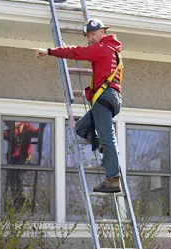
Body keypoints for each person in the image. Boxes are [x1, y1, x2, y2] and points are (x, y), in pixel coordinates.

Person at [36, 19, 123, 194]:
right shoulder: (111, 49)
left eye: (93, 34)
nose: (90, 38)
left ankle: (113, 178)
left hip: (104, 98)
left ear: (102, 32)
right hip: (110, 97)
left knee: (108, 138)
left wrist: (49, 51)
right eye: (88, 36)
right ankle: (104, 151)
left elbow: (77, 52)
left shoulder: (102, 48)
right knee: (82, 128)